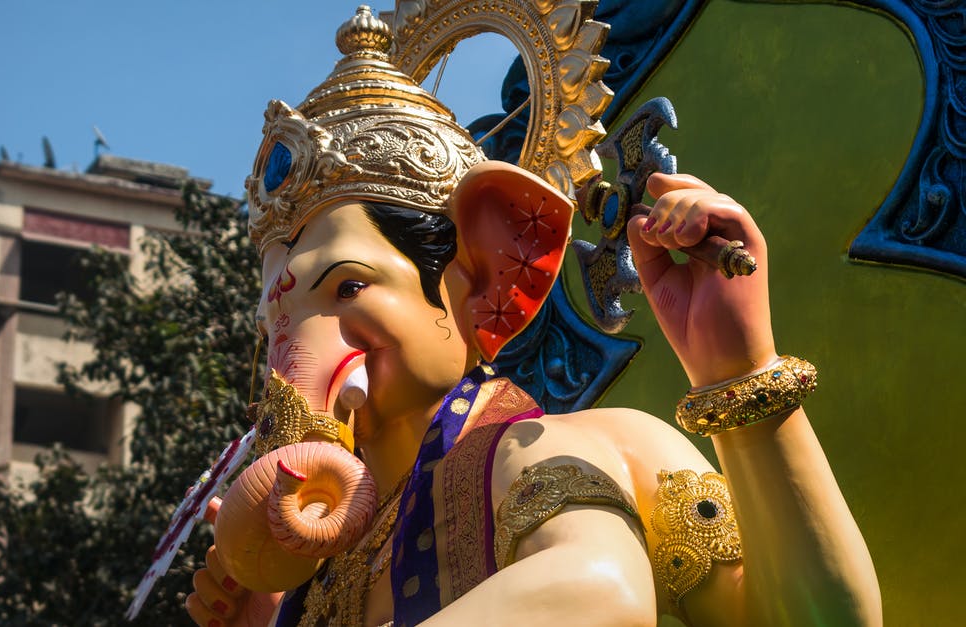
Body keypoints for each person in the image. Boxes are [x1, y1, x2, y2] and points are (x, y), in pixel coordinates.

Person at [187, 6, 881, 626]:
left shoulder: (556, 454)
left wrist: (739, 373)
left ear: (486, 272)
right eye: (278, 321)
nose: (297, 347)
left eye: (347, 288)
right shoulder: (329, 572)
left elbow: (601, 589)